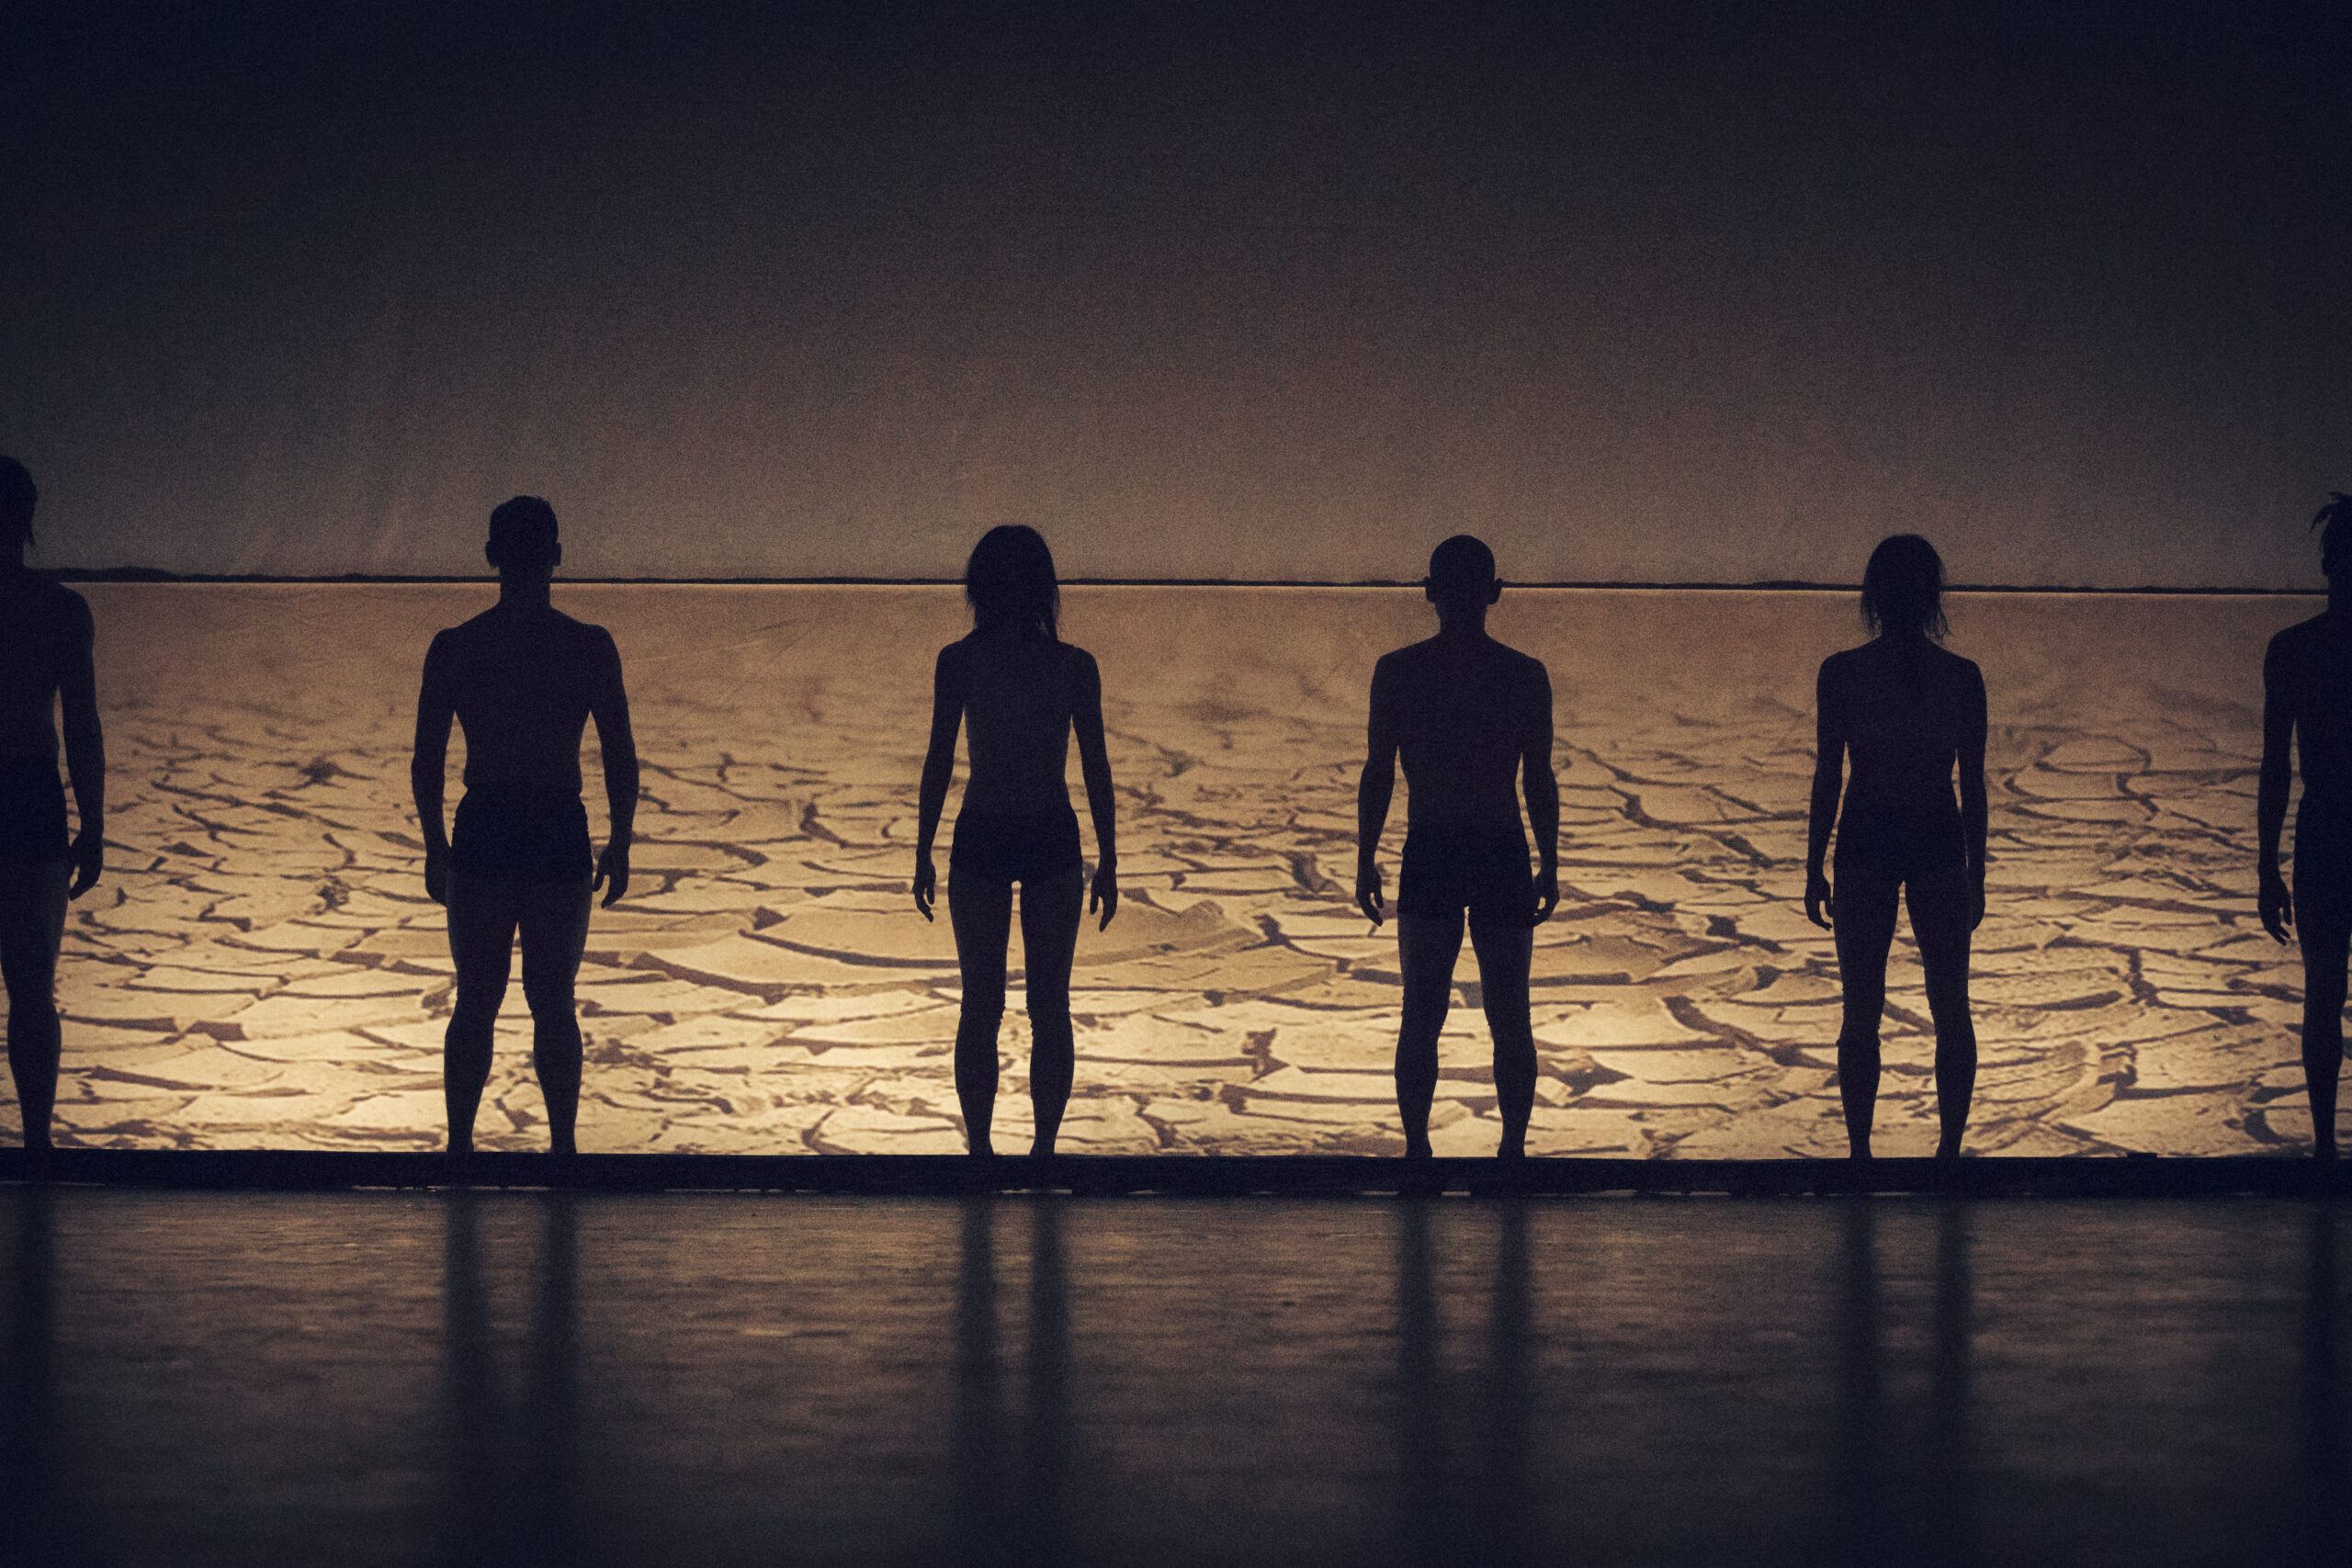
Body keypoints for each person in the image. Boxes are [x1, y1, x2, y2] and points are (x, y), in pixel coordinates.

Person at [411, 497, 636, 1159]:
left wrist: (435, 845)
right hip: (554, 826)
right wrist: (620, 839)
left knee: (476, 999)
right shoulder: (586, 647)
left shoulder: (458, 647)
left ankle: (460, 1147)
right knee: (552, 999)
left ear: (491, 556)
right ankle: (562, 1149)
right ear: (557, 557)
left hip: (487, 825)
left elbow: (427, 760)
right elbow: (619, 754)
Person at [914, 525, 1118, 1158]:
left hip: (986, 831)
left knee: (983, 1003)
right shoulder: (1071, 665)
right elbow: (1095, 767)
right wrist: (1109, 857)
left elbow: (940, 760)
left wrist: (922, 849)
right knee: (1045, 1003)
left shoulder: (962, 660)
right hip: (1047, 831)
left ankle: (984, 1150)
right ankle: (1040, 1150)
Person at [1356, 535, 1559, 1159]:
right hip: (1500, 848)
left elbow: (1379, 771)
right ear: (1495, 593)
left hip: (1433, 846)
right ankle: (1512, 1150)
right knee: (1510, 1013)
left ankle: (1418, 1151)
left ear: (1429, 592)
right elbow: (1537, 777)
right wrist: (1550, 860)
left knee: (1421, 1012)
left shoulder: (1399, 672)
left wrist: (1365, 856)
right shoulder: (1523, 675)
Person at [1804, 534, 1985, 1161]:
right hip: (1935, 835)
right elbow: (1972, 786)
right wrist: (1977, 873)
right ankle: (1948, 1152)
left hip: (1869, 834)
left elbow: (1830, 775)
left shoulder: (1844, 673)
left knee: (1862, 1008)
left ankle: (1861, 1152)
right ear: (1933, 596)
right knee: (1949, 1004)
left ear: (1873, 597)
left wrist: (1813, 863)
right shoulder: (1959, 677)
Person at [0, 458, 103, 1156]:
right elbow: (81, 723)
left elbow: (84, 723)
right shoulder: (58, 609)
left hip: (32, 797)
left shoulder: (61, 611)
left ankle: (37, 1143)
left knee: (33, 986)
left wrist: (93, 822)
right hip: (31, 795)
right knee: (32, 984)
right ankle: (37, 1144)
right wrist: (93, 822)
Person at [2259, 492, 2352, 1159]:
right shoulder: (2292, 650)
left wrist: (2267, 866)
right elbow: (2273, 766)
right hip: (2323, 827)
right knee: (2321, 992)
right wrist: (2266, 867)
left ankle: (2324, 1147)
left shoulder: (2295, 649)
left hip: (2323, 825)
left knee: (2322, 992)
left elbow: (2276, 766)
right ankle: (2323, 1145)